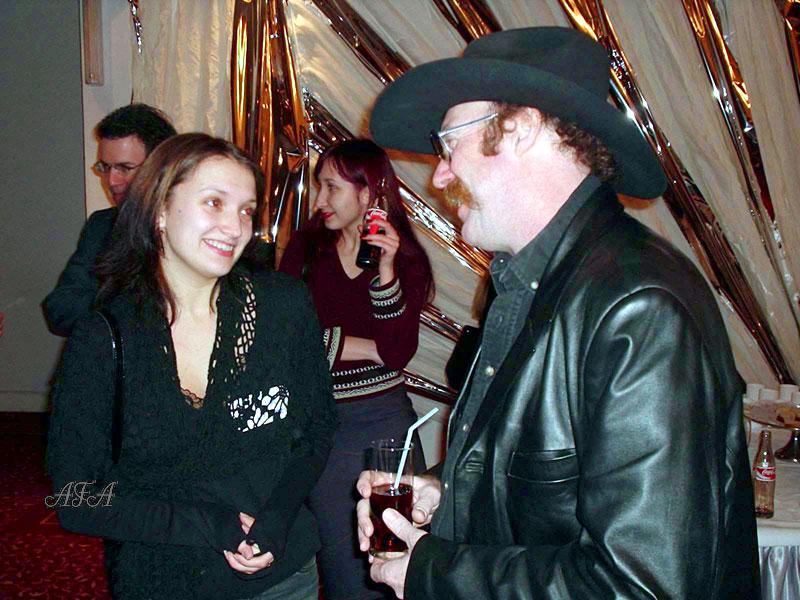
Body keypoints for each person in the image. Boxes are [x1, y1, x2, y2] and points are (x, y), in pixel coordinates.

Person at [355, 27, 760, 599]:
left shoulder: (638, 306)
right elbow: (544, 480)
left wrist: (431, 571)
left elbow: (643, 586)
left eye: (448, 145)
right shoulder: (531, 283)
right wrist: (445, 493)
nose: (439, 176)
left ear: (520, 129)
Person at [46, 133, 336, 599]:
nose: (235, 226)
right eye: (214, 202)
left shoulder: (283, 306)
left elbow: (317, 427)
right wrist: (207, 524)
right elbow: (73, 497)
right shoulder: (104, 338)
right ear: (160, 210)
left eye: (246, 210)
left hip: (282, 577)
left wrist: (279, 516)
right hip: (164, 580)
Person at [279, 139, 434, 600]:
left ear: (368, 193)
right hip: (324, 425)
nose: (319, 200)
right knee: (346, 567)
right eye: (319, 186)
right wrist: (360, 346)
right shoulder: (306, 251)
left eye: (332, 187)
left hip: (386, 424)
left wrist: (385, 272)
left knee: (396, 554)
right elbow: (284, 338)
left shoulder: (404, 258)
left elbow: (397, 352)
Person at [43, 103, 176, 336]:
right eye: (105, 167)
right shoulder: (102, 225)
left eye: (125, 168)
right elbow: (60, 310)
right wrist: (130, 304)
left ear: (161, 167)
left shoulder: (194, 227)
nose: (111, 181)